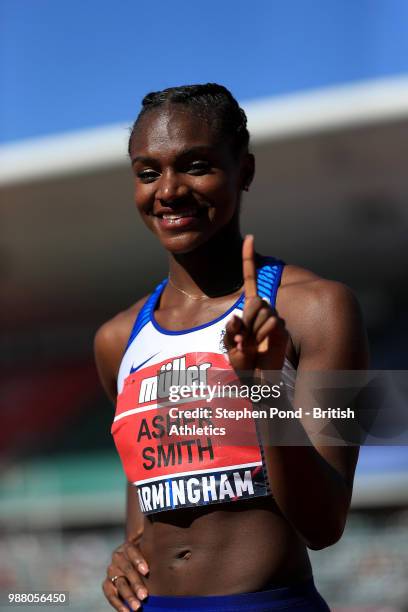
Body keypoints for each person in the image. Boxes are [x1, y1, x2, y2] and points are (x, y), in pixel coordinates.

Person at [94, 83, 368, 611]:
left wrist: (263, 387)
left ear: (244, 171)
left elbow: (324, 523)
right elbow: (145, 487)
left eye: (195, 165)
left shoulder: (321, 309)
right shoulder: (115, 339)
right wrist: (127, 556)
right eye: (148, 172)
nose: (168, 190)